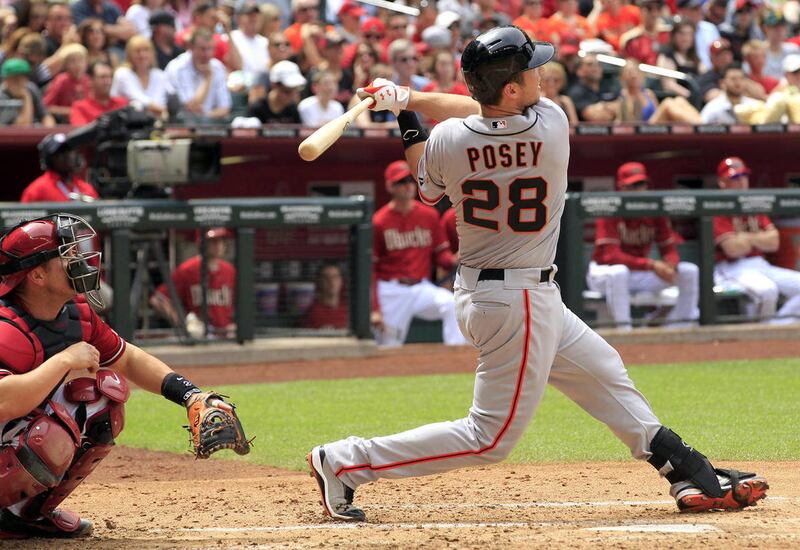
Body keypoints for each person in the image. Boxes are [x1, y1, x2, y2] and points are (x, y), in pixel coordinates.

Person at [307, 26, 768, 522]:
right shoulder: (551, 123)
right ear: (511, 89)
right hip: (517, 299)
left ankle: (683, 468)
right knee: (490, 439)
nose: (541, 75)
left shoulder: (448, 141)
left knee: (602, 370)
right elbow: (480, 109)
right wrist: (409, 98)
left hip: (493, 292)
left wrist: (406, 111)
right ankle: (346, 461)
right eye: (531, 70)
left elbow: (429, 183)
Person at [0, 213, 245, 538]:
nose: (78, 260)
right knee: (48, 435)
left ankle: (25, 514)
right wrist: (63, 361)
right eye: (66, 255)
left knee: (100, 400)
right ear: (37, 275)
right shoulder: (6, 326)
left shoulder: (75, 314)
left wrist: (190, 395)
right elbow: (4, 401)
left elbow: (128, 360)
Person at [587, 162, 699, 330]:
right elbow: (612, 256)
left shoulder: (654, 210)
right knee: (619, 272)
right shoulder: (610, 209)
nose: (639, 190)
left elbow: (668, 248)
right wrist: (652, 265)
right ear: (621, 188)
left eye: (642, 184)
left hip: (638, 272)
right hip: (604, 273)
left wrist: (671, 264)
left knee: (689, 271)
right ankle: (625, 331)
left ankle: (681, 327)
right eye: (633, 186)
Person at [369, 160, 465, 347]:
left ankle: (454, 355)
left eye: (410, 180)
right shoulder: (379, 221)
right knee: (388, 345)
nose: (408, 186)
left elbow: (442, 258)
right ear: (390, 186)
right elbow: (372, 271)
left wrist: (458, 257)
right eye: (401, 182)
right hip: (391, 290)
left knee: (452, 305)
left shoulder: (429, 215)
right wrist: (375, 309)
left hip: (421, 288)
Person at [713, 157, 800, 323]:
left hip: (760, 264)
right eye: (735, 177)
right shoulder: (717, 207)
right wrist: (759, 239)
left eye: (744, 176)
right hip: (730, 268)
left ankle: (775, 328)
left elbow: (774, 242)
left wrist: (745, 237)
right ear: (722, 182)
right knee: (767, 290)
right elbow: (733, 249)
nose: (742, 182)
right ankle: (760, 333)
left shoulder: (752, 205)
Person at [149, 228, 236, 339]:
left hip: (226, 336)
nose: (219, 245)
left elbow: (239, 304)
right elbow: (157, 299)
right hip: (198, 337)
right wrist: (183, 322)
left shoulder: (230, 270)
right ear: (201, 242)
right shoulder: (188, 269)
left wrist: (235, 324)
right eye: (213, 241)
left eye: (222, 240)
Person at [165, 29, 231, 123]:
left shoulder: (217, 67)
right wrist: (207, 78)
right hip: (182, 123)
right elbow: (191, 107)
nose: (207, 54)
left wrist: (207, 115)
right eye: (202, 49)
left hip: (211, 123)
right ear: (191, 48)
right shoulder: (177, 68)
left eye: (210, 49)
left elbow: (224, 108)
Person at [21, 133, 98, 203]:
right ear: (49, 159)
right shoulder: (37, 190)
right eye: (60, 152)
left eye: (69, 150)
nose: (67, 156)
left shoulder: (86, 189)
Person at [110, 35, 171, 118]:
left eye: (146, 50)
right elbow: (137, 98)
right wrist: (162, 110)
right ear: (129, 54)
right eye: (137, 51)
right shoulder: (122, 73)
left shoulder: (159, 74)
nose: (142, 55)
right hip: (128, 120)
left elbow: (166, 97)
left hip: (156, 120)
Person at [69, 60, 128, 126]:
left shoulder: (122, 104)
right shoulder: (80, 107)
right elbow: (80, 129)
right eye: (102, 77)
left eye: (110, 77)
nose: (107, 81)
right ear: (90, 81)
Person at [43, 44, 91, 124]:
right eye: (73, 61)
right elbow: (47, 106)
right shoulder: (61, 80)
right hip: (65, 123)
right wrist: (72, 111)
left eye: (80, 60)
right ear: (65, 65)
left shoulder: (89, 80)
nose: (77, 64)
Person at [0, 57, 55, 126]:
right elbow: (22, 126)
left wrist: (48, 129)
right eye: (15, 78)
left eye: (23, 77)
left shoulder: (31, 88)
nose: (20, 82)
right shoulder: (2, 96)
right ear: (6, 79)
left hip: (35, 129)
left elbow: (46, 116)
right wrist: (26, 97)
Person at [301, 262, 349, 329]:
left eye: (335, 277)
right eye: (326, 278)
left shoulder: (349, 310)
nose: (331, 281)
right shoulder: (312, 313)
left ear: (341, 281)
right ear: (319, 282)